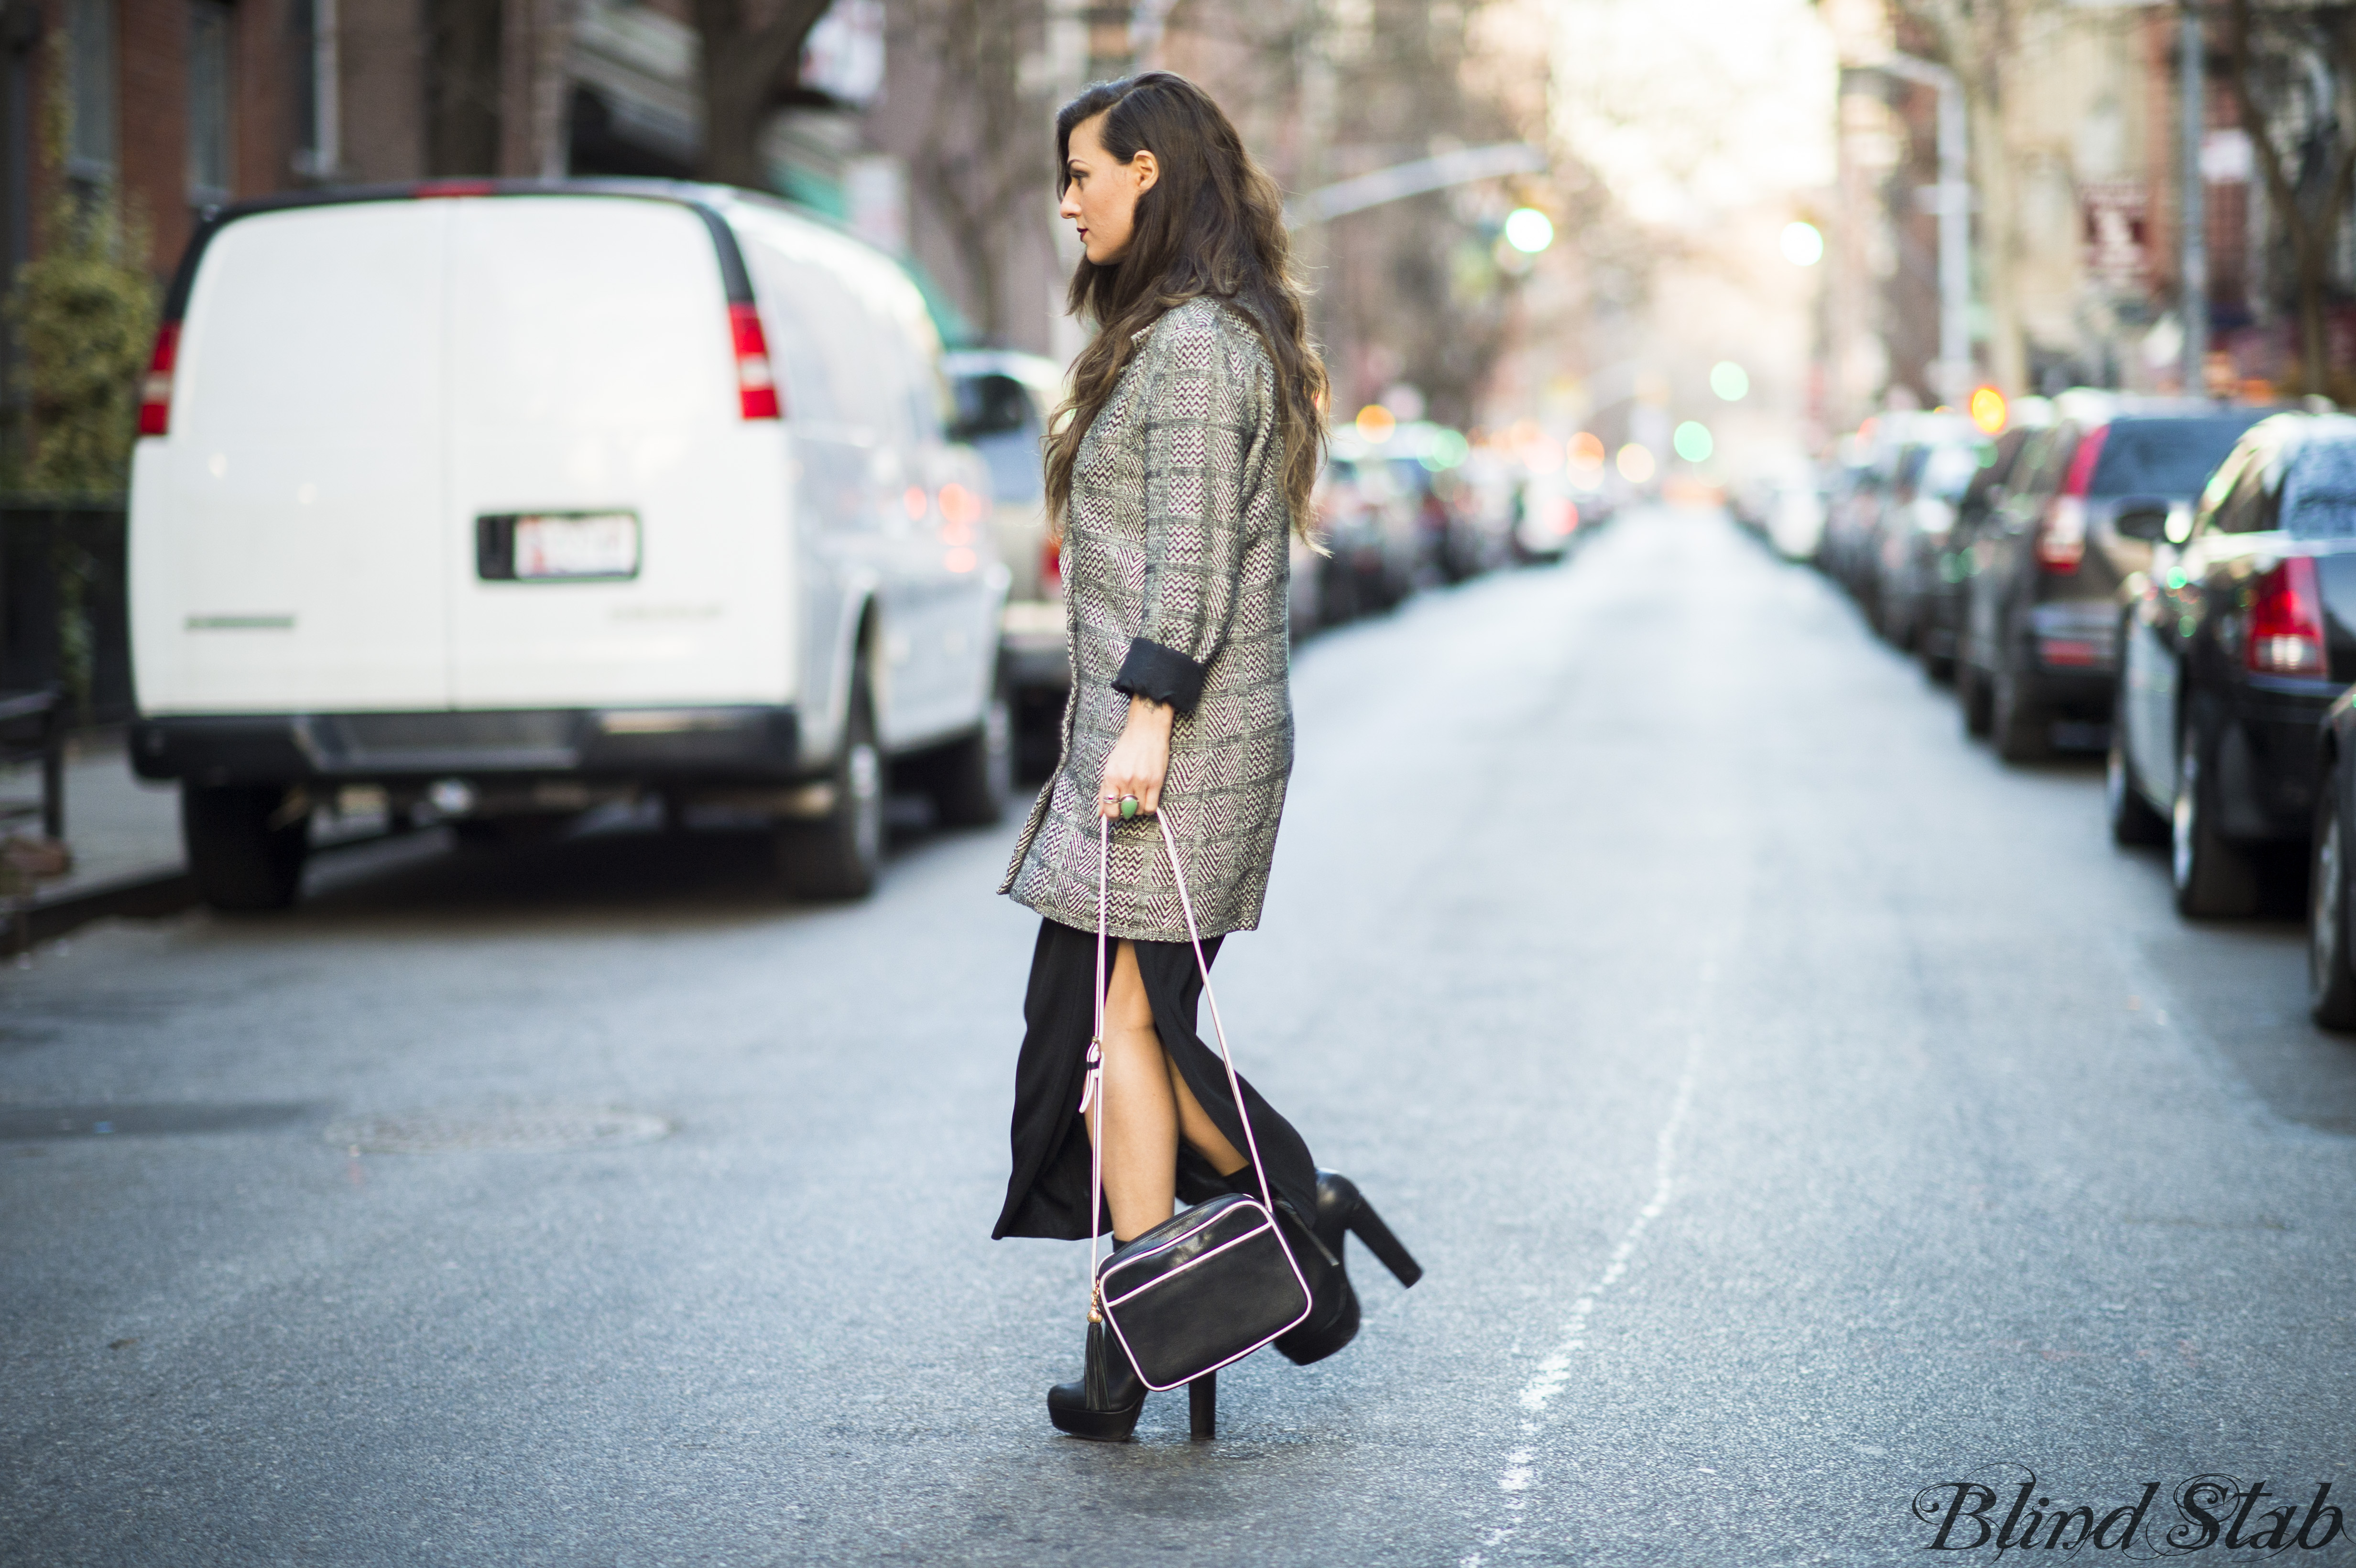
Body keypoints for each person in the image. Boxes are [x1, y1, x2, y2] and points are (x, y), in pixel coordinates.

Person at [992, 70, 1420, 1442]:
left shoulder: (1189, 350)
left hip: (1182, 740)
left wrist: (1149, 724)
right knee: (1123, 1034)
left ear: (1151, 176)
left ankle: (1295, 1218)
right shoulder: (1191, 334)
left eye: (1085, 173)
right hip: (1164, 734)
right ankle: (1141, 1331)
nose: (1068, 201)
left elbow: (1189, 563)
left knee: (1139, 1029)